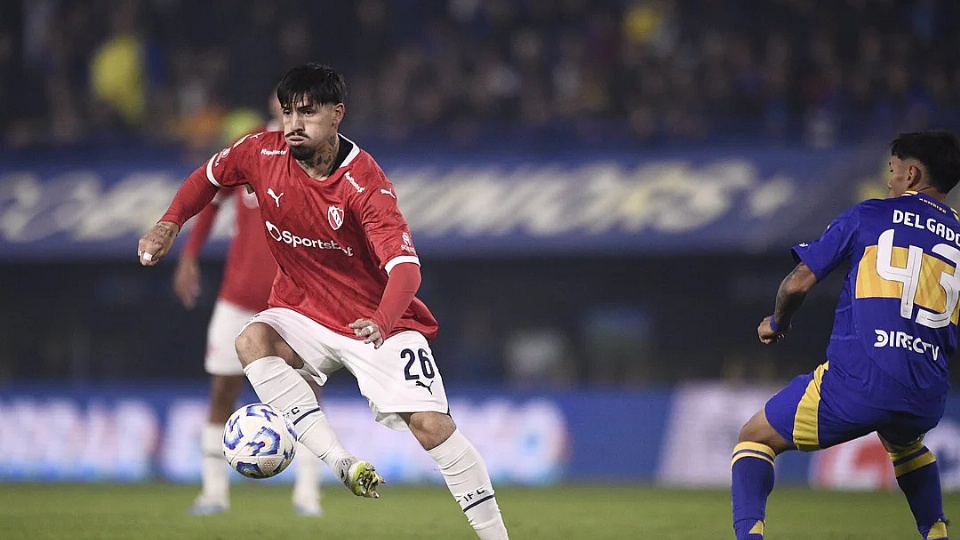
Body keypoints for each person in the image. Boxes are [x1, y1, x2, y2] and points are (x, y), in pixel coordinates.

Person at [138, 63, 509, 539]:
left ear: (337, 114)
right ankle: (340, 462)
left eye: (308, 113)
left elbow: (406, 270)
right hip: (303, 310)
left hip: (375, 322)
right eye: (288, 112)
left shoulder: (365, 183)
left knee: (432, 426)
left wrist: (382, 319)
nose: (294, 124)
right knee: (251, 340)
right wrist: (169, 223)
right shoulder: (260, 151)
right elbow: (207, 177)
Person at [731, 130, 960, 540]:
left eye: (892, 170)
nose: (889, 180)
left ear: (910, 174)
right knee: (906, 444)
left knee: (755, 438)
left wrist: (777, 323)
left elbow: (796, 284)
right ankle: (937, 532)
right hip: (927, 393)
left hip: (860, 383)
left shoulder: (870, 215)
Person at [173, 91, 324, 517]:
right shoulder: (248, 148)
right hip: (238, 297)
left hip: (295, 301)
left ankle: (308, 494)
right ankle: (213, 493)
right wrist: (189, 255)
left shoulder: (322, 154)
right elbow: (209, 199)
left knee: (306, 394)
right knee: (223, 389)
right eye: (286, 100)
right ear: (274, 104)